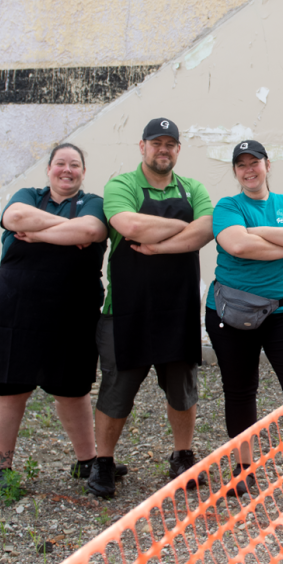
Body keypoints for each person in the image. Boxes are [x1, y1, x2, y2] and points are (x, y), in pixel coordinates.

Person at [88, 118, 214, 498]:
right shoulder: (121, 184)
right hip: (126, 309)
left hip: (178, 308)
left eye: (170, 144)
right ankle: (104, 462)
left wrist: (156, 243)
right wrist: (181, 226)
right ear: (141, 146)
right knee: (116, 388)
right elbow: (128, 226)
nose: (164, 150)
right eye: (156, 143)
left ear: (178, 149)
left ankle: (182, 456)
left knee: (183, 388)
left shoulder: (192, 187)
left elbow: (207, 229)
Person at [205, 139, 283, 506]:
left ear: (267, 165)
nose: (249, 169)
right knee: (240, 390)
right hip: (233, 312)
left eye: (254, 162)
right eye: (241, 165)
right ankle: (243, 472)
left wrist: (257, 232)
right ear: (235, 171)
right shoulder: (228, 206)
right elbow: (238, 246)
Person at [0, 143, 109, 494]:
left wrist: (38, 234)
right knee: (8, 387)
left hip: (73, 312)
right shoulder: (26, 195)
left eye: (75, 165)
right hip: (13, 309)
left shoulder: (94, 202)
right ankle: (2, 469)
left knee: (73, 388)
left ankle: (87, 462)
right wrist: (66, 228)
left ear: (83, 171)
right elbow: (15, 218)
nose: (67, 170)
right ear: (49, 169)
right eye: (60, 164)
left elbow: (90, 232)